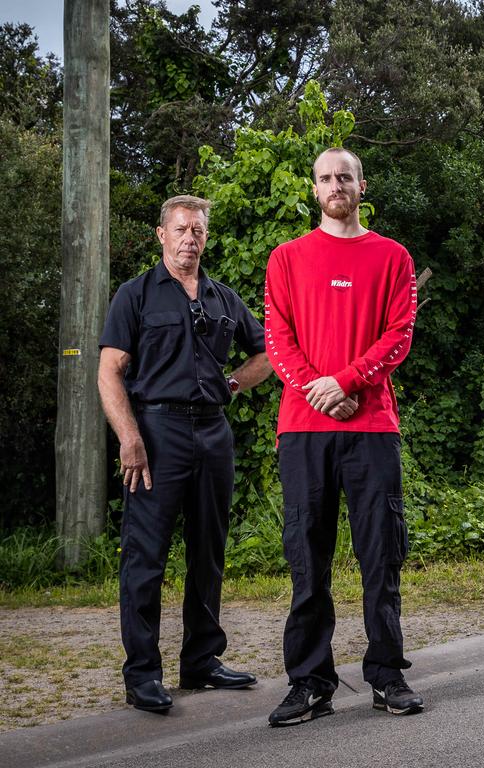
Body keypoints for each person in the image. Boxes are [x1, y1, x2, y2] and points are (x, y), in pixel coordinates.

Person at [263, 147, 422, 727]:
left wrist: (350, 381)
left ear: (361, 185)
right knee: (308, 557)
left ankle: (385, 675)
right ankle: (310, 682)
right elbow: (277, 337)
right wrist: (320, 389)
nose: (336, 185)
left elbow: (400, 334)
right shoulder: (286, 258)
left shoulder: (392, 257)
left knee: (381, 554)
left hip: (372, 427)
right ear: (314, 189)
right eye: (326, 178)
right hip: (304, 427)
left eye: (345, 177)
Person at [98, 194, 272, 713]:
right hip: (156, 433)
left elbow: (269, 352)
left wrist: (234, 384)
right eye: (180, 229)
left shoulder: (222, 298)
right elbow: (110, 371)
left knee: (208, 551)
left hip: (212, 433)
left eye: (197, 230)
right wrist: (129, 437)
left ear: (205, 237)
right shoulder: (136, 295)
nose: (189, 238)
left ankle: (201, 661)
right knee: (145, 557)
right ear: (161, 235)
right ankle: (143, 675)